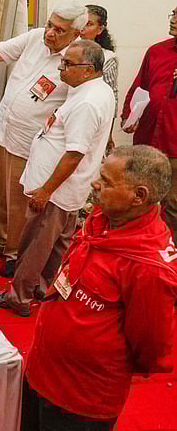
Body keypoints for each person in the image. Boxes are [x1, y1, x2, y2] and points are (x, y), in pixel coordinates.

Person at [21, 144, 177, 428]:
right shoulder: (103, 220)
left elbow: (151, 346)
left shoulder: (149, 268)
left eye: (106, 182)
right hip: (42, 374)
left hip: (81, 399)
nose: (95, 184)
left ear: (138, 196)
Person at [0, 40, 116, 317]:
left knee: (35, 244)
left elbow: (73, 153)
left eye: (68, 64)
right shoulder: (92, 90)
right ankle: (42, 288)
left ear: (89, 69)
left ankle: (19, 297)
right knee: (56, 244)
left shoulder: (87, 102)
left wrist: (46, 190)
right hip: (66, 188)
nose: (61, 68)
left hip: (56, 190)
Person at [0, 2, 88, 272]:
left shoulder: (76, 59)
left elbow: (74, 103)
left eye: (59, 30)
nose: (50, 33)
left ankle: (13, 252)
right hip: (7, 126)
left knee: (20, 198)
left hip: (33, 139)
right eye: (49, 25)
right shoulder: (34, 38)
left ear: (76, 33)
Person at [121, 5, 177, 240]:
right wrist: (128, 115)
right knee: (139, 198)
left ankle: (168, 257)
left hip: (174, 146)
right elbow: (139, 87)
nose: (173, 20)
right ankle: (138, 249)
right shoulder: (156, 52)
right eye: (173, 14)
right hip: (146, 142)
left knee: (172, 205)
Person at [81, 4, 119, 150]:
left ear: (100, 29)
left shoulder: (108, 58)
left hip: (89, 119)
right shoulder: (66, 50)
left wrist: (108, 133)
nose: (82, 28)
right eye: (81, 22)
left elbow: (111, 96)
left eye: (89, 24)